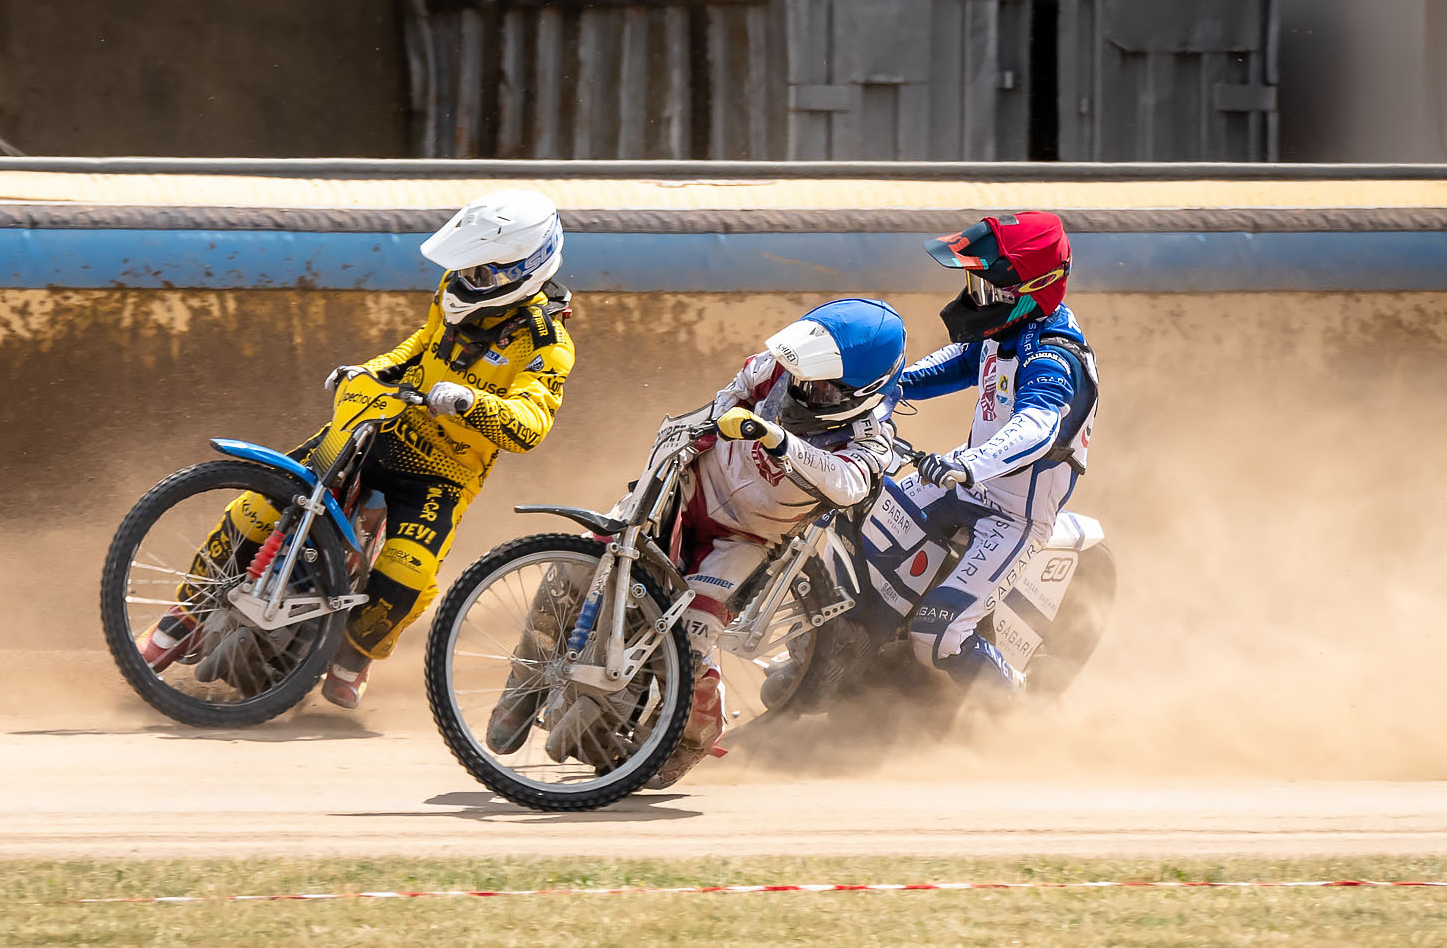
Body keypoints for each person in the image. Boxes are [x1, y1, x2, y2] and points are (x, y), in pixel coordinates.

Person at [134, 189, 575, 708]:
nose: (463, 280)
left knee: (408, 572)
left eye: (478, 273)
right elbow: (422, 345)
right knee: (258, 506)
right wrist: (373, 370)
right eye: (463, 266)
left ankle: (351, 656)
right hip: (378, 424)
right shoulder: (451, 291)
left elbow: (531, 424)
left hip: (442, 470)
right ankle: (183, 618)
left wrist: (469, 402)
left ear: (522, 270)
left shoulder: (548, 344)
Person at [640, 298, 908, 788]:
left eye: (824, 384)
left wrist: (780, 441)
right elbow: (741, 383)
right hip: (693, 486)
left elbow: (849, 484)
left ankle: (694, 735)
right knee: (600, 550)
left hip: (745, 539)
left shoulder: (871, 438)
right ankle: (533, 664)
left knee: (688, 641)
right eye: (805, 373)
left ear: (864, 390)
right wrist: (718, 418)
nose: (805, 387)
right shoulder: (781, 367)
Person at [896, 211, 1098, 693]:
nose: (973, 298)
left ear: (1032, 290)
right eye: (973, 283)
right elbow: (960, 362)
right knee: (859, 515)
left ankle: (1020, 706)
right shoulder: (1005, 331)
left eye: (986, 288)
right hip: (964, 483)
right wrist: (884, 386)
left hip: (1012, 515)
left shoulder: (1053, 352)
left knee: (937, 634)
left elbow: (1038, 425)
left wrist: (968, 464)